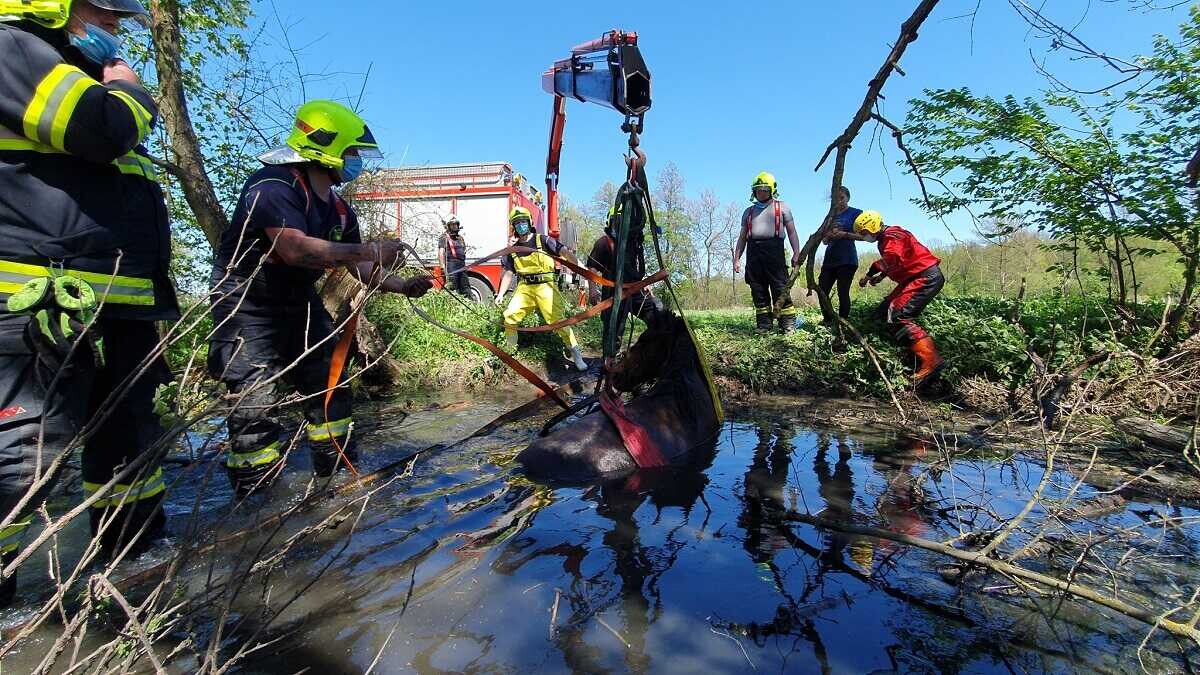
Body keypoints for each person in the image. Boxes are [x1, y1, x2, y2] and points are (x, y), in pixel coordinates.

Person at [0, 0, 178, 604]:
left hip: (112, 306)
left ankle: (136, 562)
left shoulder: (66, 66)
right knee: (23, 454)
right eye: (102, 9)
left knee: (129, 437)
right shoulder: (14, 48)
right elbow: (104, 129)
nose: (116, 23)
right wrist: (126, 78)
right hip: (40, 306)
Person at [208, 99, 432, 495]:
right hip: (246, 300)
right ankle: (257, 501)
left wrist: (403, 285)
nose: (355, 162)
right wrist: (368, 250)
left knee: (329, 383)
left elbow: (362, 270)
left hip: (297, 297)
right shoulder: (272, 187)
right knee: (253, 402)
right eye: (350, 153)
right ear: (326, 148)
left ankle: (337, 479)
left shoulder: (341, 211)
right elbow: (296, 249)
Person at [834, 210, 945, 383]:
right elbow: (897, 261)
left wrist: (870, 273)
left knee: (899, 315)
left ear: (872, 227)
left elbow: (891, 257)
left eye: (864, 234)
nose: (864, 237)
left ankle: (931, 360)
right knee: (883, 311)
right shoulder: (888, 237)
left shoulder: (893, 236)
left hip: (924, 277)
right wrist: (881, 277)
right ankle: (905, 350)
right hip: (912, 278)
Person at [587, 140, 662, 345]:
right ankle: (610, 362)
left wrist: (644, 284)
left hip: (634, 289)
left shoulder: (633, 242)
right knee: (614, 329)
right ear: (611, 221)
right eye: (618, 220)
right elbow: (592, 268)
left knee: (658, 313)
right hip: (613, 291)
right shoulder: (605, 243)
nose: (622, 224)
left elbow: (636, 266)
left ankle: (652, 352)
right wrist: (593, 290)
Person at [495, 206, 587, 371]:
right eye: (517, 223)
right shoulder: (513, 249)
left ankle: (577, 356)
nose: (520, 225)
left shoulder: (543, 240)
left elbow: (564, 252)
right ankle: (510, 353)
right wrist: (500, 294)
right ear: (513, 227)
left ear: (529, 222)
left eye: (523, 221)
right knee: (509, 317)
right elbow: (508, 272)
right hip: (525, 288)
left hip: (546, 286)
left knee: (557, 322)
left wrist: (579, 267)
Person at [733, 172, 802, 333]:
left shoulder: (782, 207)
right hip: (753, 251)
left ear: (771, 190)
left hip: (774, 249)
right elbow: (742, 238)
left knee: (779, 285)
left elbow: (792, 232)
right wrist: (737, 259)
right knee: (757, 287)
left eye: (764, 189)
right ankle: (764, 324)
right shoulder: (748, 212)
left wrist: (796, 252)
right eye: (757, 190)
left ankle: (788, 323)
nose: (761, 192)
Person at [819, 186, 862, 321]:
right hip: (830, 259)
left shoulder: (856, 213)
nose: (839, 201)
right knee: (822, 291)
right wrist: (829, 235)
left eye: (841, 198)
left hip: (847, 259)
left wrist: (845, 234)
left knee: (842, 292)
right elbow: (824, 241)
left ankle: (843, 323)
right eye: (835, 199)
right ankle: (828, 320)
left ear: (848, 198)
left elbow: (865, 236)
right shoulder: (830, 216)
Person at [437, 215, 471, 296]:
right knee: (452, 288)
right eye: (452, 225)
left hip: (462, 265)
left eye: (456, 224)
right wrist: (442, 267)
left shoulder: (460, 238)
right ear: (448, 226)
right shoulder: (444, 237)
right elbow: (441, 252)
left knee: (465, 287)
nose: (455, 226)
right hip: (451, 266)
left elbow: (464, 249)